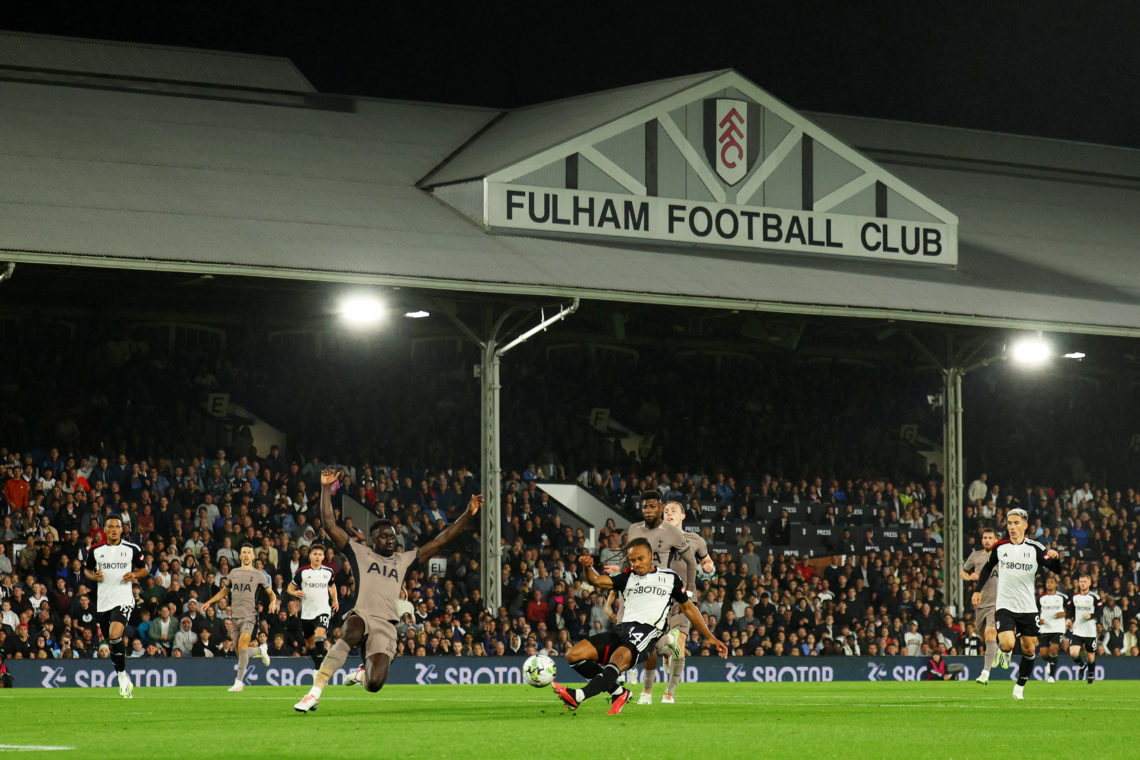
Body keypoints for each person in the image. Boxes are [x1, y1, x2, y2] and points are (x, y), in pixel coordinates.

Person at [293, 467, 483, 713]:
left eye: (393, 536)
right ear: (373, 540)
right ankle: (314, 693)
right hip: (362, 615)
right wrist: (326, 488)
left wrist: (467, 515)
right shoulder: (359, 552)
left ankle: (362, 673)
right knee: (349, 633)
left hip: (386, 625)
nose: (391, 540)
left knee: (373, 684)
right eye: (385, 536)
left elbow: (441, 540)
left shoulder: (403, 560)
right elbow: (329, 524)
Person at [551, 538, 727, 715]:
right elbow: (596, 581)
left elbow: (688, 608)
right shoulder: (627, 577)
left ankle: (578, 696)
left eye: (640, 559)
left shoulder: (669, 578)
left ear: (651, 556)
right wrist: (587, 567)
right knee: (574, 655)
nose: (636, 563)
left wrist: (711, 637)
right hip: (622, 629)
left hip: (647, 631)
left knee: (618, 659)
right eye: (632, 560)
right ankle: (619, 693)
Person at [970, 509, 1061, 700]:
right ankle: (1005, 651)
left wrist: (1055, 557)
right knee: (1007, 642)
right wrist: (978, 590)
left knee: (1029, 649)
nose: (1012, 527)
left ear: (1025, 526)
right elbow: (987, 568)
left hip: (1028, 607)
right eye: (1009, 523)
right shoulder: (1000, 547)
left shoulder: (1035, 548)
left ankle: (1019, 686)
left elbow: (1055, 569)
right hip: (1005, 605)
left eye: (1016, 523)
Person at [638, 500, 714, 705]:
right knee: (653, 646)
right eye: (667, 511)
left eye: (674, 511)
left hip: (685, 598)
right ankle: (647, 690)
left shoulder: (695, 539)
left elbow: (707, 561)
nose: (669, 513)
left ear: (683, 516)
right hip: (658, 597)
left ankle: (669, 694)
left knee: (680, 643)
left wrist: (708, 566)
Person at [201, 541, 280, 692]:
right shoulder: (234, 573)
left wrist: (273, 602)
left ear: (252, 555)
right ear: (240, 555)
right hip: (234, 617)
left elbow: (270, 592)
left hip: (250, 616)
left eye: (248, 553)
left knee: (243, 646)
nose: (245, 555)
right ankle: (259, 650)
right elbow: (224, 591)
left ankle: (239, 682)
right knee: (239, 651)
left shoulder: (258, 574)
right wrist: (209, 602)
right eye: (243, 552)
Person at [83, 514, 147, 698]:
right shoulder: (95, 550)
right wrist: (93, 576)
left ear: (122, 529)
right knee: (112, 643)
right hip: (103, 603)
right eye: (109, 526)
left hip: (123, 599)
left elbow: (144, 569)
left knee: (114, 634)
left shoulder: (131, 549)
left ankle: (120, 678)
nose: (113, 530)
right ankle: (122, 676)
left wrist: (134, 574)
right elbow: (87, 570)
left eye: (116, 527)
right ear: (104, 529)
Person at [287, 542, 338, 670]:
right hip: (307, 613)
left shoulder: (328, 572)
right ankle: (323, 658)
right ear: (310, 556)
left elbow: (332, 586)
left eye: (320, 554)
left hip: (323, 610)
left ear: (323, 557)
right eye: (315, 554)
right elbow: (289, 587)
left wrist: (335, 600)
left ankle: (317, 671)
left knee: (320, 638)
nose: (317, 556)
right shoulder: (302, 572)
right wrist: (294, 592)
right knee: (311, 647)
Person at [961, 527, 1000, 684]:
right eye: (985, 538)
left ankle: (985, 673)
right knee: (983, 635)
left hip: (997, 603)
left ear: (996, 540)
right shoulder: (975, 555)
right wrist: (970, 576)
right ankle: (994, 650)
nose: (987, 540)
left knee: (991, 634)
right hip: (980, 603)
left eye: (990, 538)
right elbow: (962, 572)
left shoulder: (1001, 556)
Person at [1066, 573, 1101, 684]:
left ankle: (1090, 675)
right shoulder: (1075, 597)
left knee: (1090, 656)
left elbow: (1100, 612)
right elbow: (1070, 610)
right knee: (1073, 653)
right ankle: (1082, 666)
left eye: (1085, 581)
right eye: (1081, 581)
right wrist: (1069, 619)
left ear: (1089, 583)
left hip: (1090, 631)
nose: (1082, 583)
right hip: (1078, 630)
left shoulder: (1095, 597)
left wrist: (1091, 615)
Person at [1036, 575, 1066, 682]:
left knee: (1053, 650)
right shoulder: (1041, 598)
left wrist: (1065, 613)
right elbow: (1035, 612)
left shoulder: (1062, 597)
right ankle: (1050, 661)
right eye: (1047, 582)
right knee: (1043, 653)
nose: (1049, 584)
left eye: (1051, 582)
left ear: (1056, 584)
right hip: (1045, 628)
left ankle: (1051, 676)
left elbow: (1071, 609)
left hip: (1058, 628)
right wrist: (1038, 620)